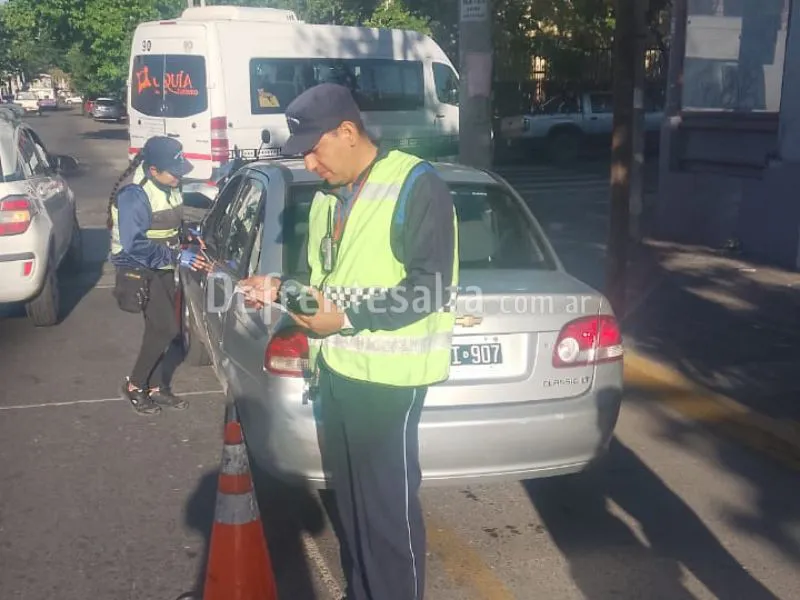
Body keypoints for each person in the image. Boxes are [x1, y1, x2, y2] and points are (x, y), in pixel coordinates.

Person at [239, 83, 459, 600]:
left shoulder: (414, 183)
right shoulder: (326, 199)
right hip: (336, 374)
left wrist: (349, 317)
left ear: (348, 131)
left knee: (387, 519)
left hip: (388, 383)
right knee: (353, 512)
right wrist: (281, 290)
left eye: (316, 148)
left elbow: (430, 287)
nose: (311, 163)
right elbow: (328, 288)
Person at [107, 136, 211, 416]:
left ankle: (156, 387)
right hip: (138, 263)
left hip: (163, 260)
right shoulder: (134, 194)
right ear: (153, 170)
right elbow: (135, 244)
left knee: (160, 328)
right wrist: (177, 256)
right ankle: (135, 385)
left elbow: (169, 218)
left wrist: (188, 234)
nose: (179, 177)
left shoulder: (169, 182)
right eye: (174, 172)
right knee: (166, 328)